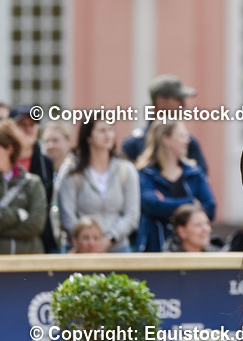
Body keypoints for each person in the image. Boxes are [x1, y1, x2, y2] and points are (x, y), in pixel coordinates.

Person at [58, 118, 140, 252]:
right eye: (102, 130)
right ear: (88, 136)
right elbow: (67, 214)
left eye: (110, 130)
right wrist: (87, 241)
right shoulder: (71, 171)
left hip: (117, 248)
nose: (108, 135)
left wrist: (109, 239)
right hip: (80, 250)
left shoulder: (126, 169)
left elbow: (132, 214)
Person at [136, 121, 216, 252]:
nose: (188, 140)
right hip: (155, 250)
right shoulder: (145, 174)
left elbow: (210, 208)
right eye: (182, 135)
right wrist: (192, 203)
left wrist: (164, 203)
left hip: (192, 252)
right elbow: (151, 205)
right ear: (166, 139)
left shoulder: (195, 173)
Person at [122, 74, 208, 174]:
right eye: (179, 99)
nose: (184, 105)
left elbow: (201, 182)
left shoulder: (189, 144)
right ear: (161, 102)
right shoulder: (133, 145)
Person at [9, 104, 56, 252]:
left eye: (32, 124)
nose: (28, 129)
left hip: (40, 240)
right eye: (22, 124)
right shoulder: (4, 161)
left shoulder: (46, 163)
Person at [0, 121, 47, 255]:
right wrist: (17, 214)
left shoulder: (33, 183)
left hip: (29, 263)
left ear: (9, 148)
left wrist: (2, 231)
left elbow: (36, 225)